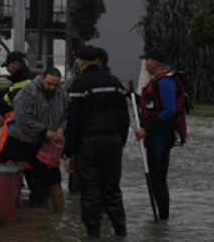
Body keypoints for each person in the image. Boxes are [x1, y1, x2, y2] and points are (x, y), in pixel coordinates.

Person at [63, 46, 130, 238]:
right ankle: (121, 232)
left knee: (90, 191)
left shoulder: (80, 85)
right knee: (112, 189)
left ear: (81, 63)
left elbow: (73, 123)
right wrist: (120, 145)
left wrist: (68, 153)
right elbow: (125, 119)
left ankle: (93, 234)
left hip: (88, 144)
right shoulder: (116, 83)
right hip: (113, 142)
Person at [0, 67, 68, 211]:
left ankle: (59, 216)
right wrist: (45, 132)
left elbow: (68, 114)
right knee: (4, 175)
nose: (52, 88)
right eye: (49, 84)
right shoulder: (27, 91)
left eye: (55, 85)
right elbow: (23, 118)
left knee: (54, 180)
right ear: (42, 79)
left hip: (43, 144)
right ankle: (2, 208)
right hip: (19, 140)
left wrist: (61, 129)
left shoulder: (62, 93)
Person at [135, 48, 181, 221]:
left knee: (159, 179)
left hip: (161, 136)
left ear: (154, 62)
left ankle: (163, 220)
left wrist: (146, 129)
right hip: (154, 136)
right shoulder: (156, 82)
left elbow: (170, 110)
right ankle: (160, 226)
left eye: (146, 61)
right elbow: (149, 105)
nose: (145, 64)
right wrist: (128, 93)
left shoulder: (165, 81)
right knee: (155, 179)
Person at [0, 51, 40, 116]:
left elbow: (8, 100)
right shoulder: (27, 75)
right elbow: (8, 90)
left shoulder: (24, 79)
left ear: (16, 64)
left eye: (8, 65)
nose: (7, 69)